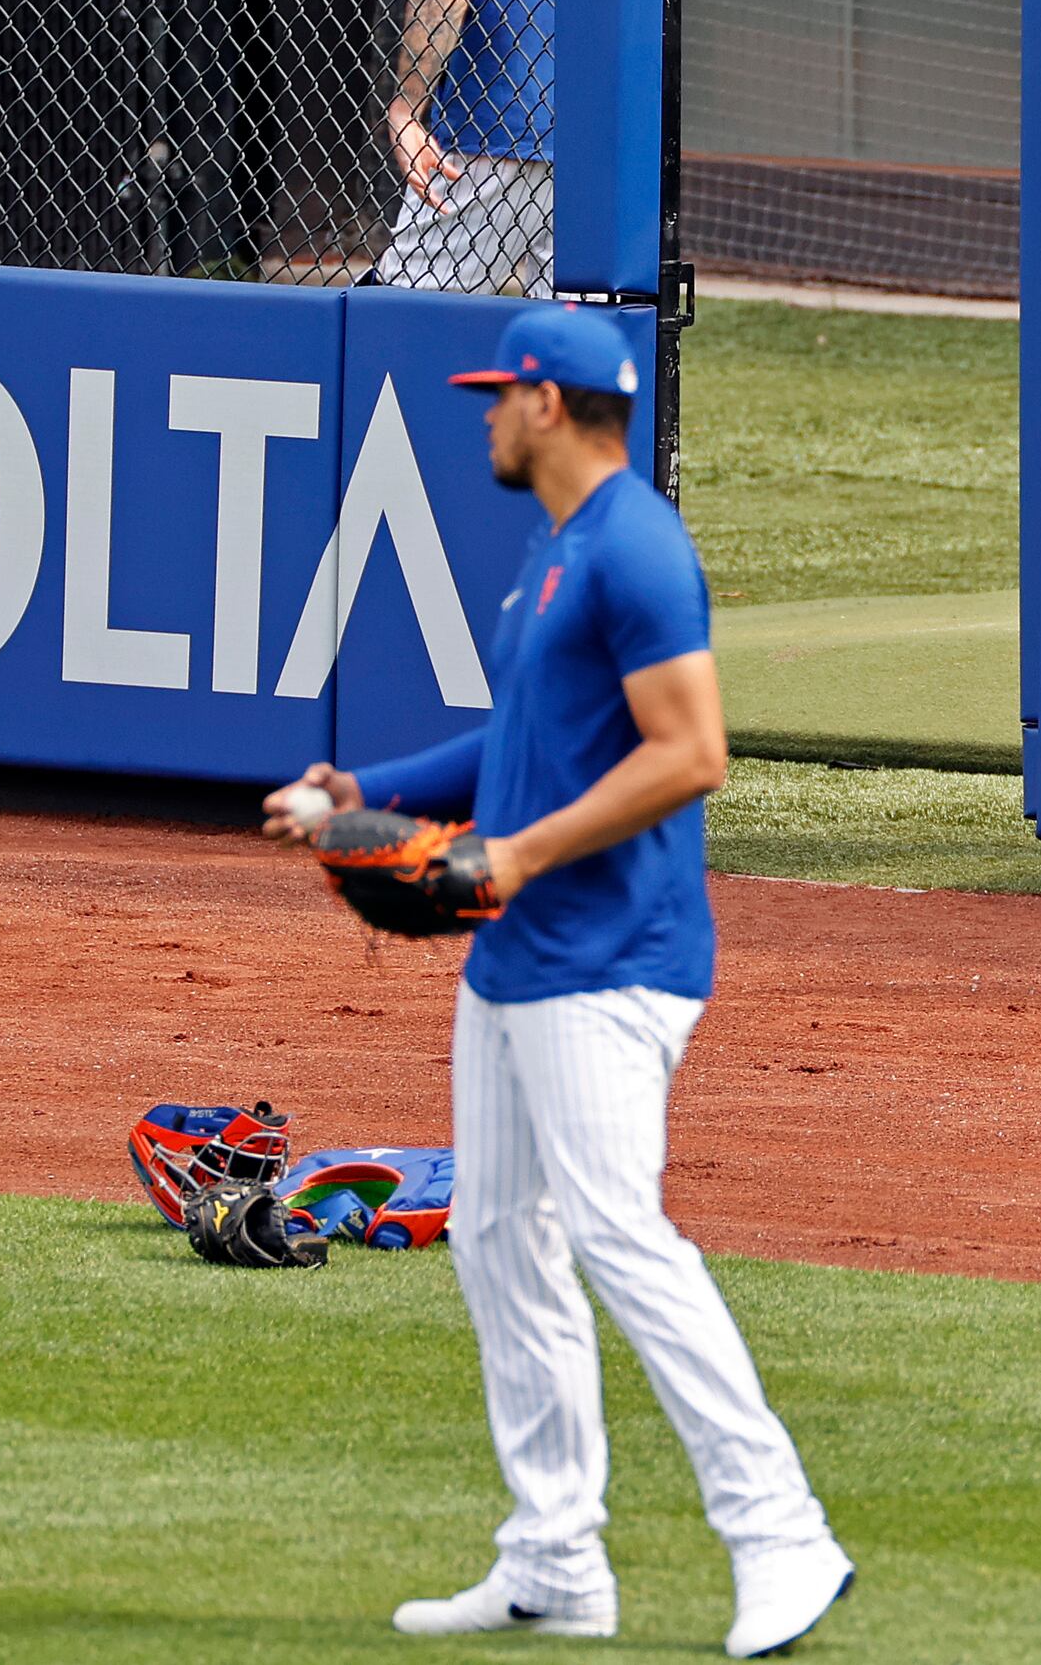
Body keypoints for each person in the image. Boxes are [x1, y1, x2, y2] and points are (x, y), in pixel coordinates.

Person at [262, 305, 852, 1657]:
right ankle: (554, 1558)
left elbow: (692, 752)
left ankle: (784, 1535)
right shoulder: (558, 552)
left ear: (544, 402)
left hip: (611, 961)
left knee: (618, 1236)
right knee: (494, 1234)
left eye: (494, 395)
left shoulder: (637, 547)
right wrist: (373, 791)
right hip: (516, 958)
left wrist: (516, 852)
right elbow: (523, 732)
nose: (481, 416)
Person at [376, 0, 554, 295]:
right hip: (604, 131)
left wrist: (406, 109)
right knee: (576, 335)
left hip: (496, 121)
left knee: (409, 317)